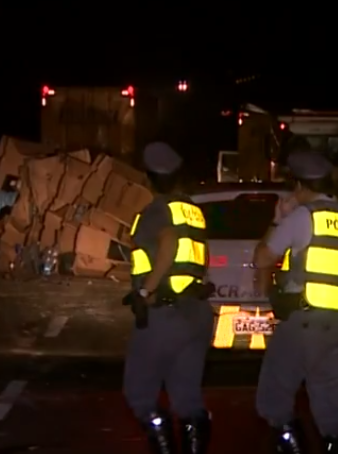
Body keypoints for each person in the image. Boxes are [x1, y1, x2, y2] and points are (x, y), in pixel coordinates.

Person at [252, 150, 338, 454]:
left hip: (306, 323)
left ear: (301, 186)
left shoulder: (305, 216)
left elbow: (263, 257)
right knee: (330, 410)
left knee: (273, 401)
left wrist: (278, 220)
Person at [122, 142, 215, 454]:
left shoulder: (157, 209)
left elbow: (169, 244)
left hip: (165, 314)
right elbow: (199, 259)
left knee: (139, 393)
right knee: (187, 397)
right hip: (196, 313)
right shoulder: (192, 211)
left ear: (149, 179)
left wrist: (146, 290)